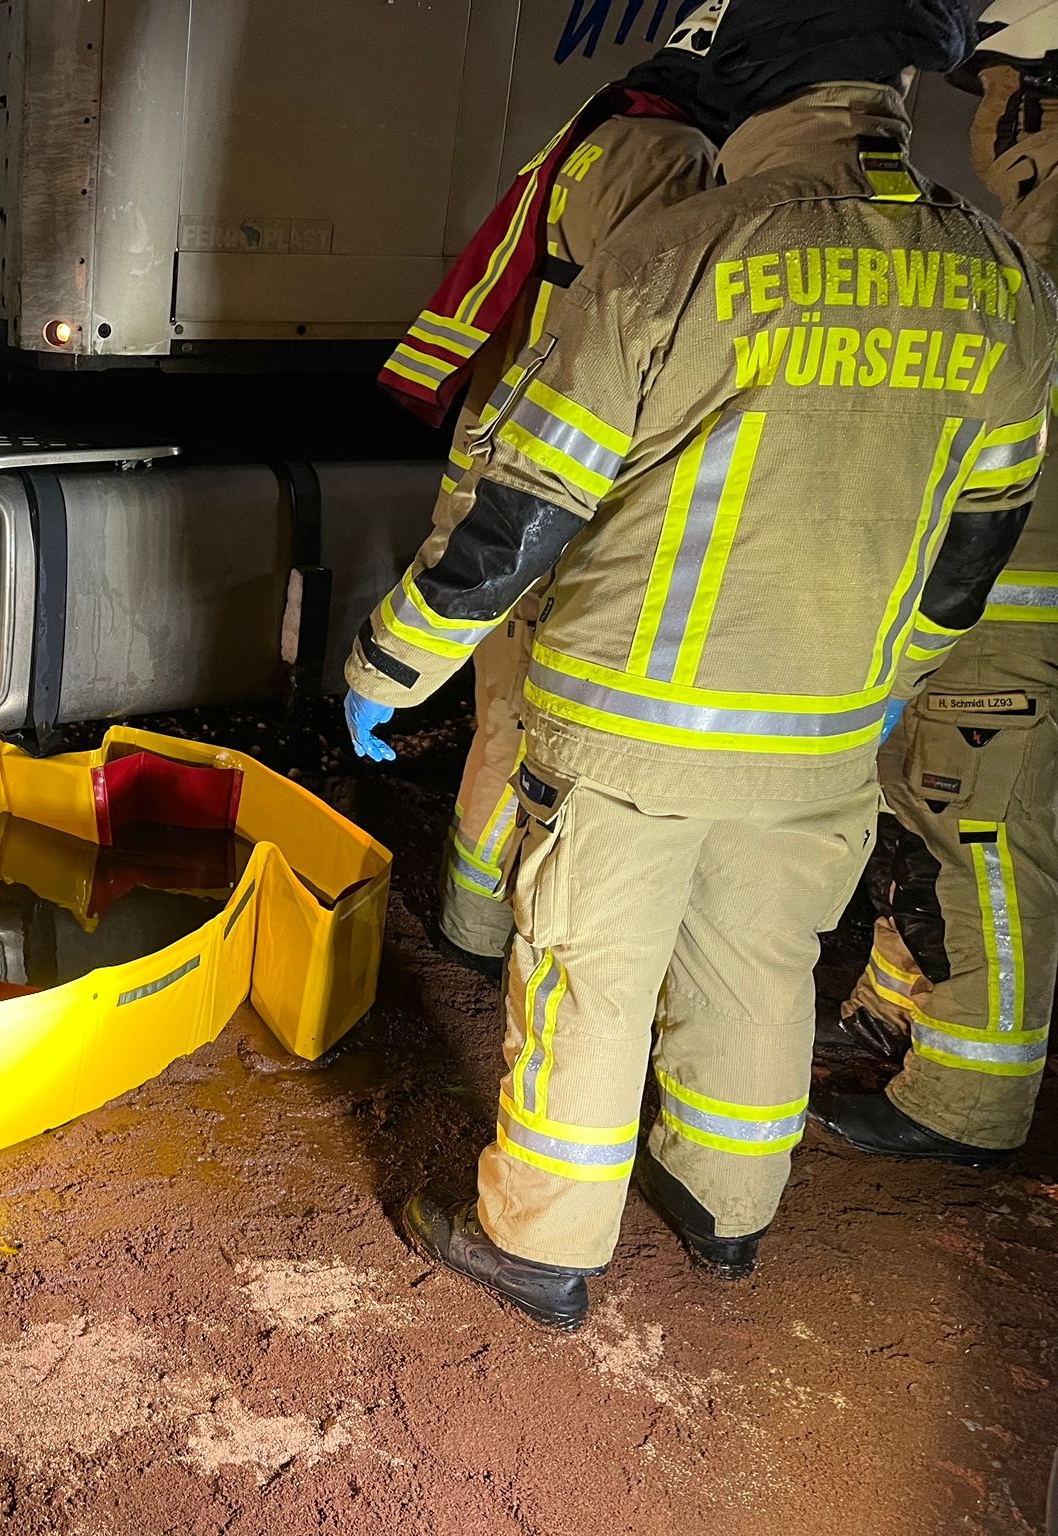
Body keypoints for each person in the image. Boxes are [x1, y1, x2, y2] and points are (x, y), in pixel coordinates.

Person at [343, 0, 1055, 1331]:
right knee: (761, 969)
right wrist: (886, 672)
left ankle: (540, 1243)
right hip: (828, 735)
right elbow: (980, 538)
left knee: (591, 979)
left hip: (631, 731)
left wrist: (392, 663)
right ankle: (725, 1210)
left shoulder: (682, 251)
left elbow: (521, 514)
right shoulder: (1001, 282)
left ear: (753, 80)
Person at [375, 4, 736, 973]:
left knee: (498, 725)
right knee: (541, 744)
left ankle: (469, 924)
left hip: (503, 470)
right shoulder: (682, 165)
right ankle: (502, 934)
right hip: (564, 509)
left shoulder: (599, 134)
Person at [819, 2, 1058, 1163]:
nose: (982, 119)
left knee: (988, 844)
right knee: (934, 812)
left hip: (1016, 595)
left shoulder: (1053, 218)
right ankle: (903, 1013)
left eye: (998, 90)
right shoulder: (1034, 213)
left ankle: (966, 1104)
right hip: (993, 594)